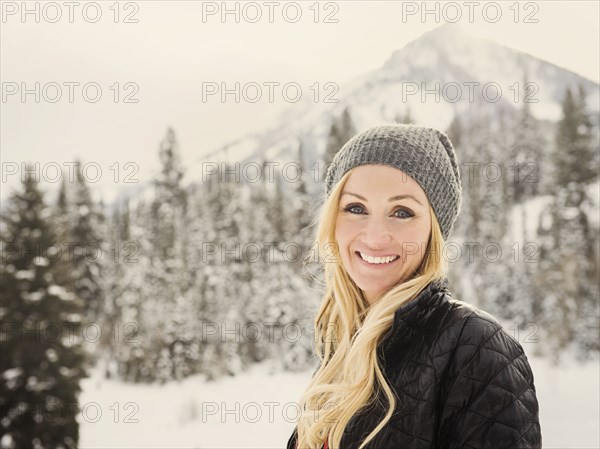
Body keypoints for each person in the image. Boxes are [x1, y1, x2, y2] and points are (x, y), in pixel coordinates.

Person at [285, 124, 542, 449]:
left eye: (402, 212)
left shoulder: (478, 350)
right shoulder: (343, 350)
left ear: (432, 231)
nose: (375, 236)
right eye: (355, 208)